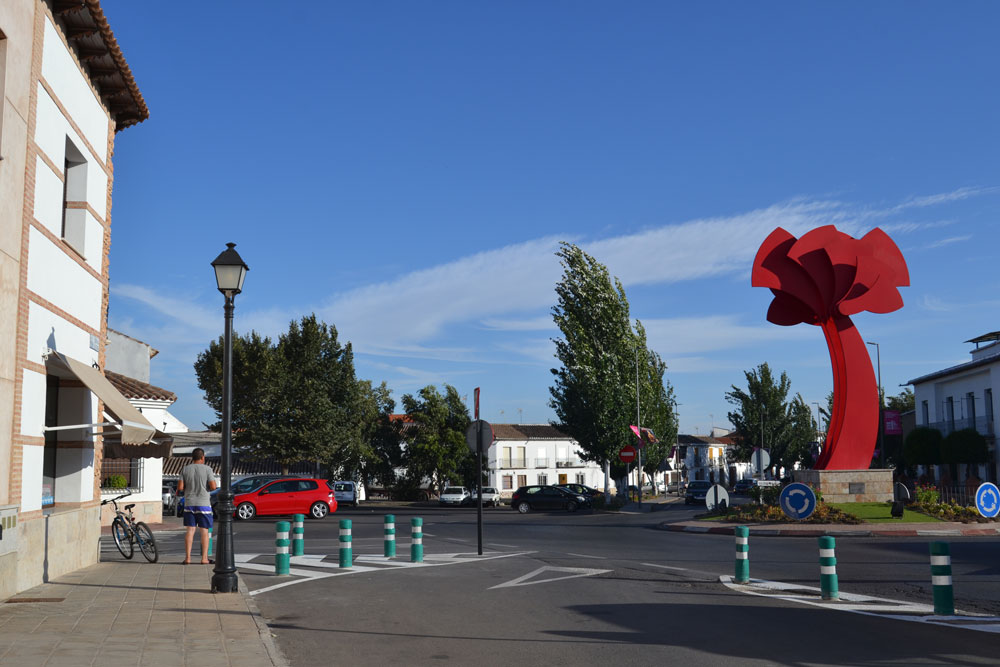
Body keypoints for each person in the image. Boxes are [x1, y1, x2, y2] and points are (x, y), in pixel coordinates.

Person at [178, 448, 217, 564]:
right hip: (203, 504)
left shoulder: (185, 469)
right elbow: (213, 486)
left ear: (192, 457)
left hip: (189, 503)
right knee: (204, 531)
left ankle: (188, 558)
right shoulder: (208, 469)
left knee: (190, 530)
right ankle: (204, 558)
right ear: (203, 457)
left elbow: (180, 487)